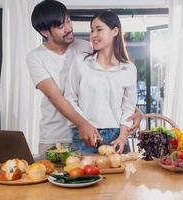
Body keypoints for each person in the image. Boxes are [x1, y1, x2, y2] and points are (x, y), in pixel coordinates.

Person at [27, 0, 141, 156]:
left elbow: (106, 86)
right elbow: (56, 97)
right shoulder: (36, 57)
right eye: (61, 26)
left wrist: (135, 111)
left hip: (92, 133)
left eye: (68, 21)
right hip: (56, 135)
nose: (68, 28)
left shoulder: (85, 48)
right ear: (45, 32)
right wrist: (82, 124)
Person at [65, 11, 137, 154]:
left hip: (117, 136)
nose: (93, 35)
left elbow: (128, 107)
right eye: (92, 30)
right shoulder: (81, 62)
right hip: (85, 134)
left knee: (119, 176)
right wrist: (83, 125)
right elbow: (70, 97)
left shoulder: (128, 68)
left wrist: (122, 137)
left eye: (99, 29)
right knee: (83, 175)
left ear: (115, 31)